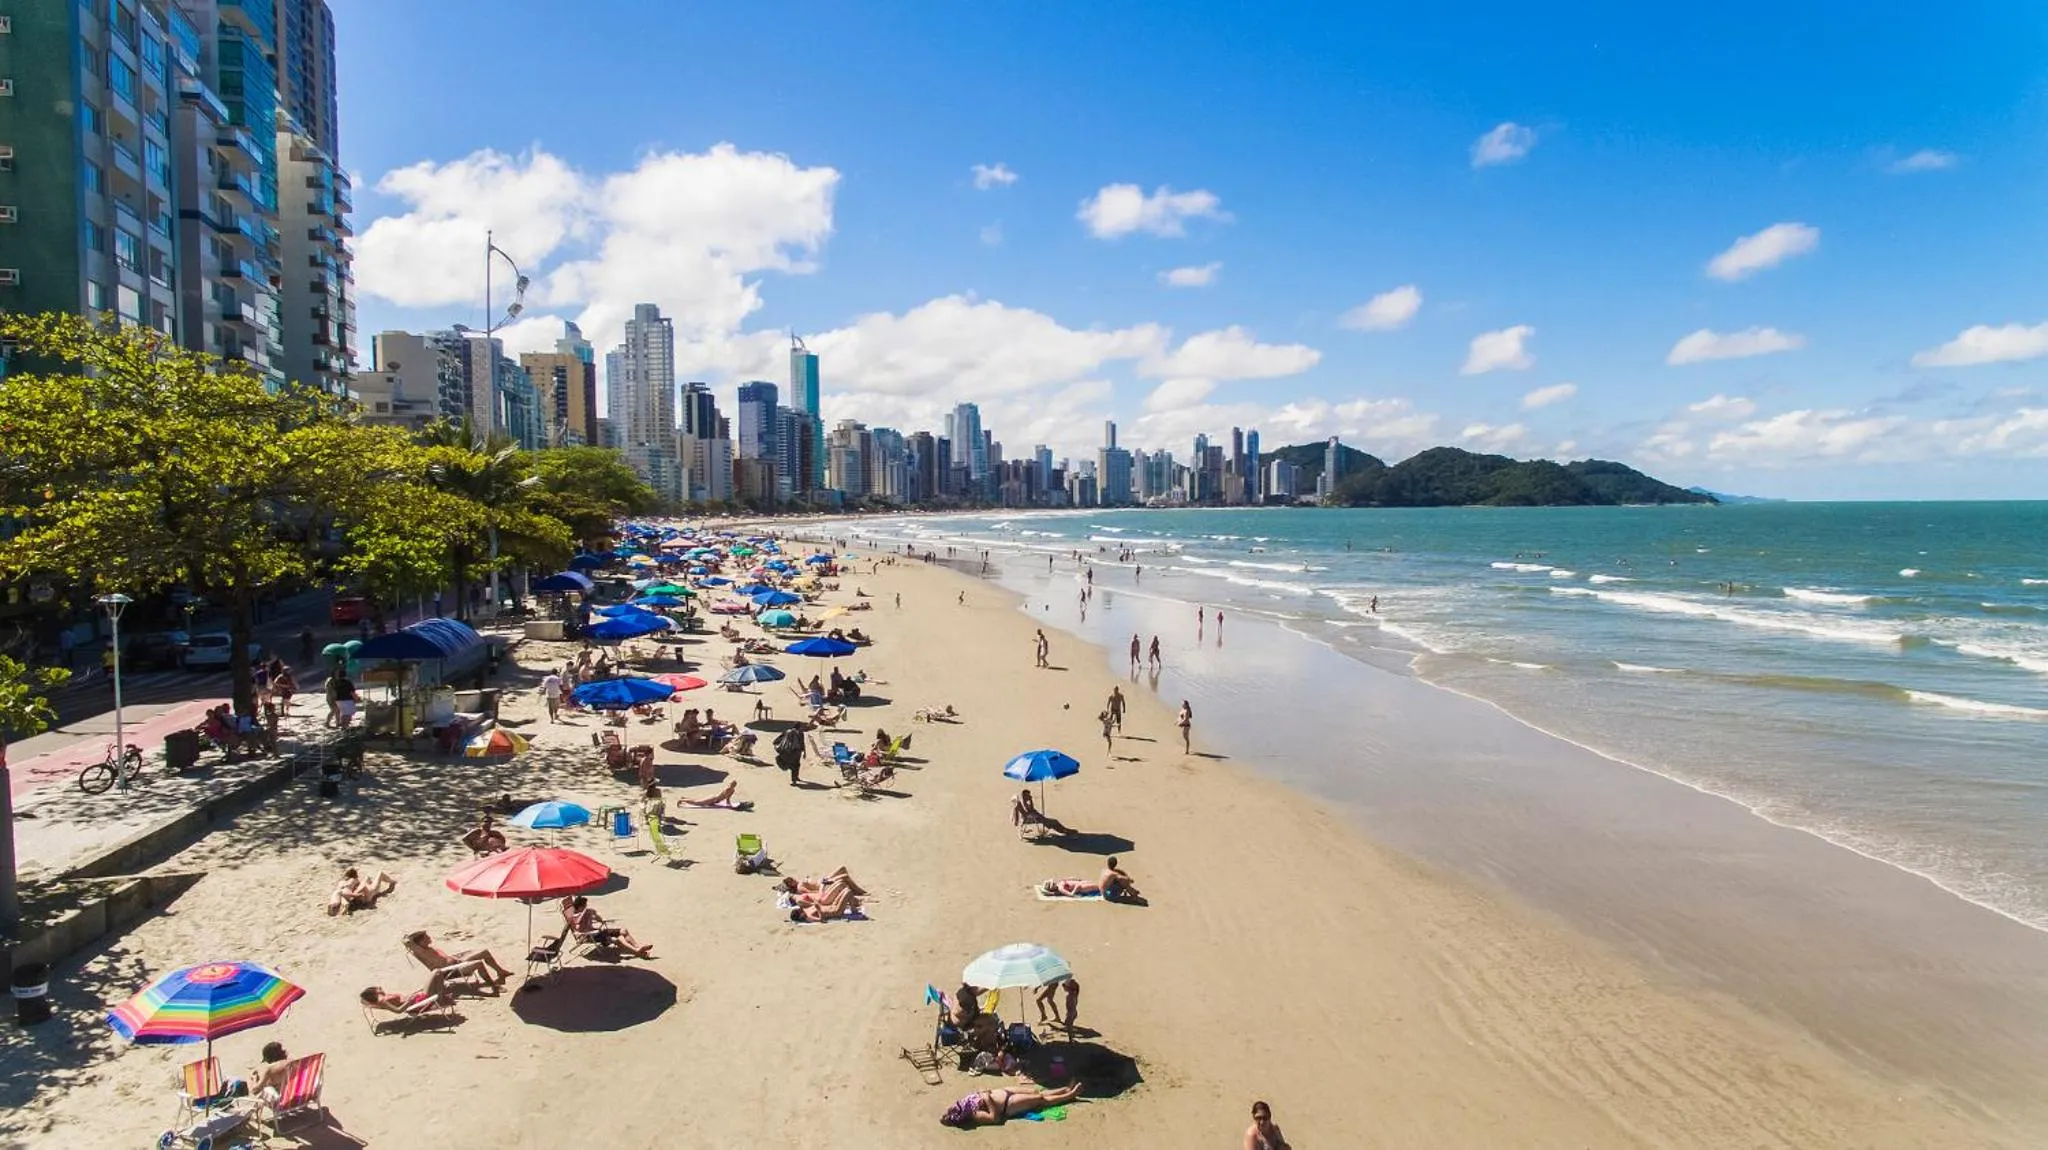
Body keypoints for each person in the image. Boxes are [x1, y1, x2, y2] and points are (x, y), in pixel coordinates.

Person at [403, 929, 513, 990]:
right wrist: (411, 938)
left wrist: (458, 956)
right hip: (451, 971)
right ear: (420, 942)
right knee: (479, 963)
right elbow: (407, 942)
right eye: (426, 937)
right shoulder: (422, 952)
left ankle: (500, 971)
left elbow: (444, 957)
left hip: (457, 960)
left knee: (485, 952)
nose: (429, 938)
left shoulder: (428, 948)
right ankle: (493, 986)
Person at [939, 1083, 1086, 1127]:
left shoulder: (962, 1103)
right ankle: (1070, 1095)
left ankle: (1061, 1089)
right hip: (1007, 1105)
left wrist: (982, 1092)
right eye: (949, 1113)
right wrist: (987, 1098)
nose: (950, 1108)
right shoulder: (974, 1115)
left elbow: (982, 1091)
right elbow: (994, 1118)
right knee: (1040, 1100)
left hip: (1003, 1092)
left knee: (1035, 1091)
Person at [561, 895, 654, 958]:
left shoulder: (586, 912)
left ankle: (638, 948)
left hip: (597, 932)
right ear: (580, 907)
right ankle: (638, 952)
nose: (586, 906)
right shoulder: (574, 916)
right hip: (588, 936)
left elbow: (599, 920)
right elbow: (578, 929)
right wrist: (584, 915)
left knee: (624, 931)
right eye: (585, 905)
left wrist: (595, 915)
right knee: (616, 940)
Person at [359, 975, 457, 1017]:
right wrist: (409, 1001)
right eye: (378, 988)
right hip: (418, 1002)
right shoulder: (383, 1001)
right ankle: (441, 998)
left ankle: (443, 992)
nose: (380, 987)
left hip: (417, 999)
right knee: (436, 972)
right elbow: (398, 1011)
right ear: (375, 992)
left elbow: (363, 1001)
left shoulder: (382, 999)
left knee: (436, 977)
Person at [327, 866, 396, 915]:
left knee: (340, 894)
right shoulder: (357, 885)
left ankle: (337, 904)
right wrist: (356, 893)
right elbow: (363, 887)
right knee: (380, 873)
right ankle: (392, 881)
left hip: (365, 893)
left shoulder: (345, 883)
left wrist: (357, 891)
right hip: (371, 891)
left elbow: (361, 887)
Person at [677, 779, 749, 809]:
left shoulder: (732, 790)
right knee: (698, 803)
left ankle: (684, 798)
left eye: (733, 785)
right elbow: (727, 798)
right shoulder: (728, 789)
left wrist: (728, 804)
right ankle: (682, 800)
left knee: (698, 801)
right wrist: (728, 805)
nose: (731, 786)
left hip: (715, 800)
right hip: (713, 799)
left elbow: (728, 798)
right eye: (731, 784)